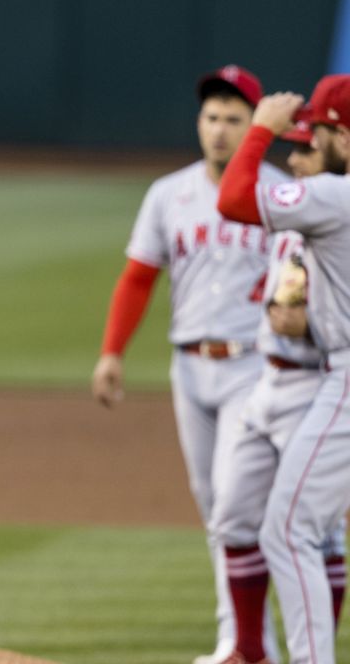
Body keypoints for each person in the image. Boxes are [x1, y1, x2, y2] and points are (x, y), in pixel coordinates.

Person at [92, 65, 285, 664]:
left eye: (233, 118)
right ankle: (252, 641)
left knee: (234, 505)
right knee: (213, 507)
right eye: (211, 117)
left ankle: (244, 643)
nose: (220, 130)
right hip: (190, 368)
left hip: (255, 368)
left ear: (255, 125)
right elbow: (138, 277)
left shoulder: (277, 193)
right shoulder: (168, 194)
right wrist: (111, 353)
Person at [217, 74, 350, 664]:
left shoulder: (336, 197)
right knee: (290, 526)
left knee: (288, 529)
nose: (306, 148)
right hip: (328, 365)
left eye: (316, 134)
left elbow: (234, 200)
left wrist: (262, 132)